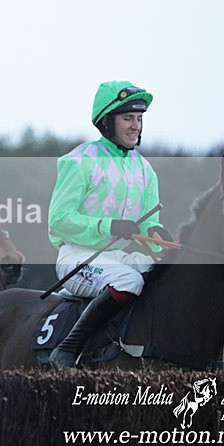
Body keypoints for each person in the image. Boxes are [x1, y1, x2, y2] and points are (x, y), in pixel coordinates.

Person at [47, 80, 172, 369]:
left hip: (117, 258)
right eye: (128, 118)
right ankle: (67, 350)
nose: (135, 126)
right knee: (130, 281)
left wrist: (157, 236)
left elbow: (148, 225)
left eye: (139, 118)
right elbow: (59, 220)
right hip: (77, 258)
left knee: (168, 273)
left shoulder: (145, 170)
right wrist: (110, 226)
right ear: (107, 122)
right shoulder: (79, 161)